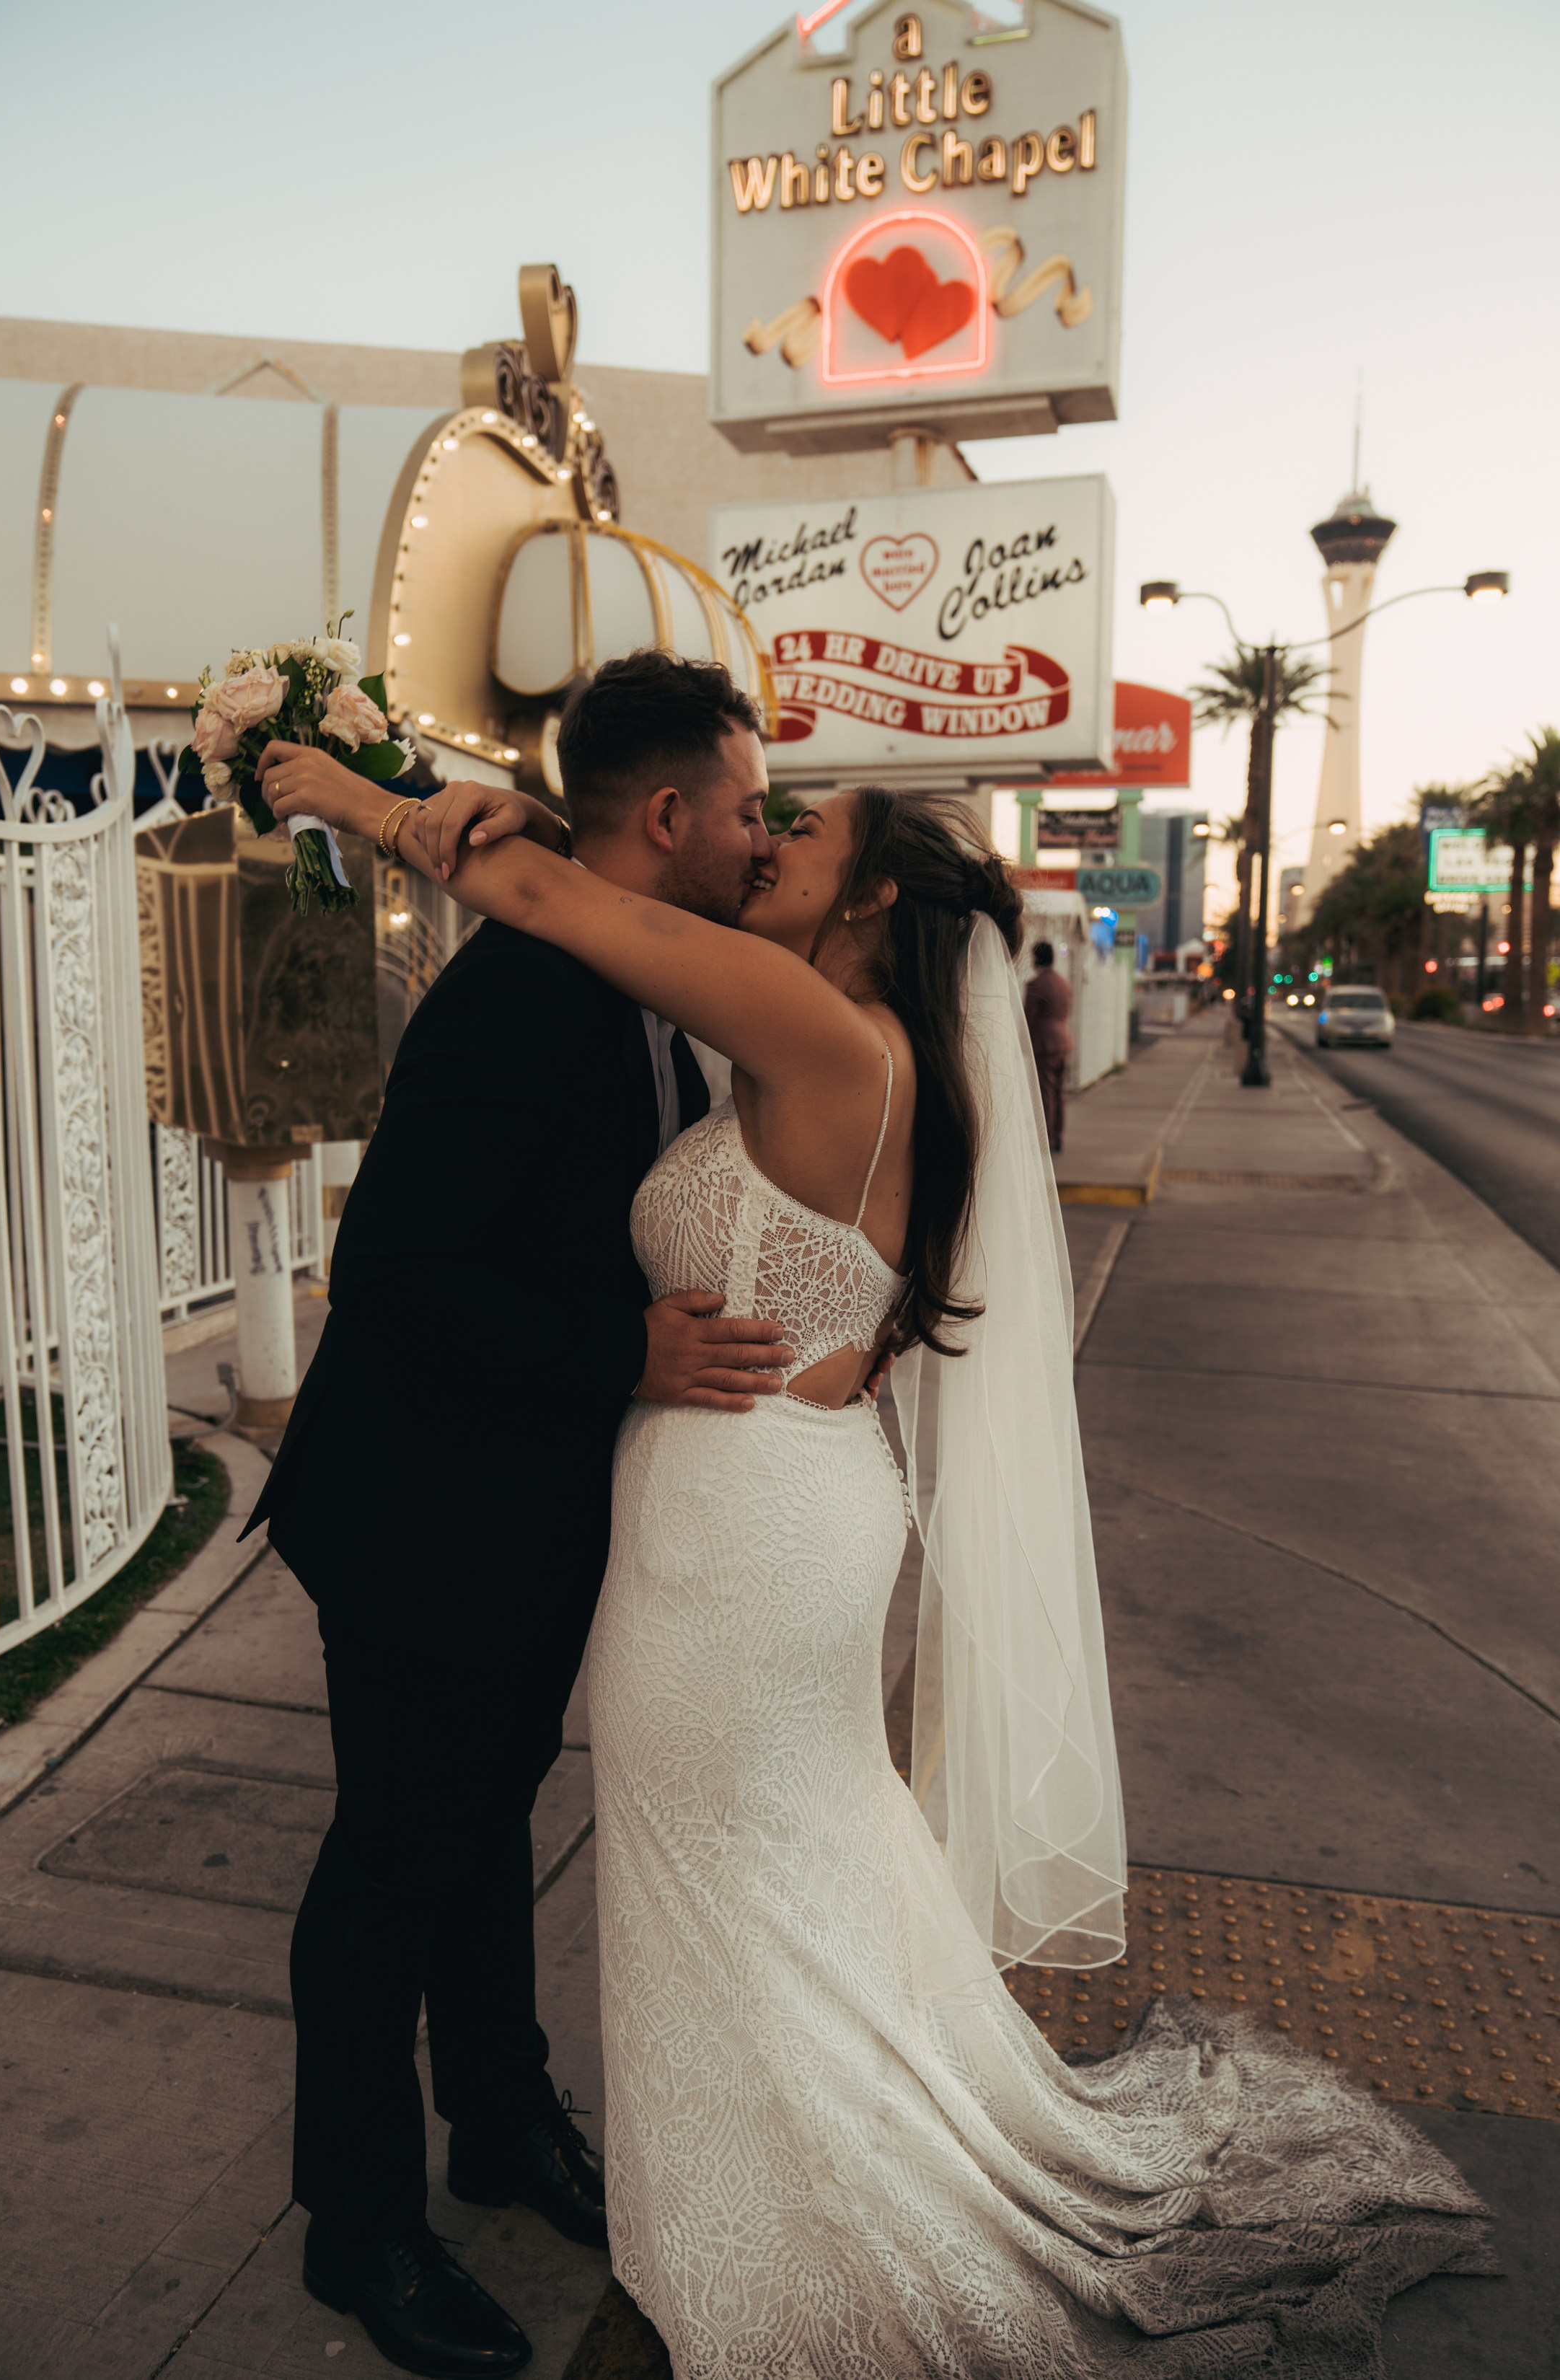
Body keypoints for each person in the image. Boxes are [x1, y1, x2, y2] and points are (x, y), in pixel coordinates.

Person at [267, 727, 1490, 2379]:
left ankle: (780, 2210)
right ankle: (672, 2153)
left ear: (879, 898)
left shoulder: (816, 1032)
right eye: (761, 813)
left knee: (732, 1877)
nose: (771, 842)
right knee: (785, 1859)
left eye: (808, 832)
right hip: (782, 1504)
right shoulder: (872, 1051)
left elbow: (568, 893)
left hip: (745, 1535)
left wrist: (353, 796)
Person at [242, 653, 796, 2379]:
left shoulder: (631, 981)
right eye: (749, 808)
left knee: (486, 1830)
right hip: (420, 1514)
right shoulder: (516, 1002)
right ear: (668, 815)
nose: (761, 838)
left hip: (525, 1506)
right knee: (393, 1867)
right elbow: (394, 1269)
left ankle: (496, 2116)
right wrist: (619, 1345)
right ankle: (359, 2226)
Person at [1023, 935, 1073, 1151]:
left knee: (1045, 1092)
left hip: (1044, 1043)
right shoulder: (1063, 982)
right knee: (1059, 1092)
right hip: (1063, 1040)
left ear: (1037, 958)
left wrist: (1023, 1045)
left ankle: (1048, 1139)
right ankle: (1059, 1136)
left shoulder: (1036, 984)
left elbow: (1029, 1019)